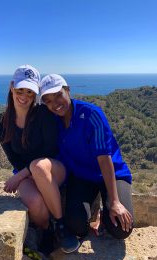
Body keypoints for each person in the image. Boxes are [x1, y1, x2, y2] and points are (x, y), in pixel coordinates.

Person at [0, 65, 79, 253]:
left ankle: (60, 226)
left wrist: (20, 176)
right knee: (34, 202)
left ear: (35, 94)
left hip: (53, 169)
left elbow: (51, 151)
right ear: (11, 87)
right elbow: (13, 158)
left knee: (39, 166)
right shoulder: (1, 122)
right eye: (20, 90)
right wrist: (24, 174)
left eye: (30, 92)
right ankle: (46, 230)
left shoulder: (44, 114)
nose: (24, 96)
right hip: (26, 173)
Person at [40, 74, 134, 240]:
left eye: (58, 95)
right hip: (82, 176)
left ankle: (104, 210)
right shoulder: (53, 120)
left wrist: (114, 202)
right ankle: (95, 210)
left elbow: (105, 161)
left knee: (121, 228)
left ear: (68, 90)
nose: (55, 104)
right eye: (48, 100)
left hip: (112, 174)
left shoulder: (91, 115)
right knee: (76, 226)